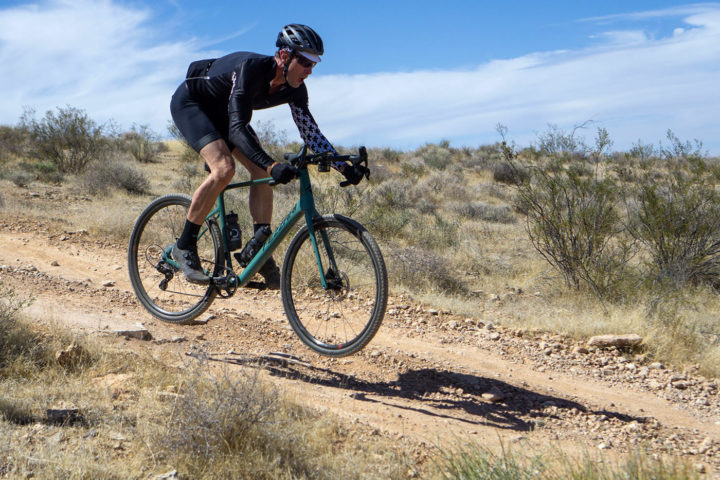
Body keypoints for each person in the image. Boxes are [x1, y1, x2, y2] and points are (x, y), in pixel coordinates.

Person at [169, 24, 367, 287]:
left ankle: (258, 254)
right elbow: (238, 128)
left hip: (227, 114)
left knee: (260, 171)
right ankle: (183, 246)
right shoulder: (250, 69)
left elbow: (310, 133)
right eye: (305, 62)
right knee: (224, 168)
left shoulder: (295, 88)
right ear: (284, 56)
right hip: (193, 105)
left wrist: (343, 166)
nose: (309, 71)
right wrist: (273, 165)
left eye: (314, 65)